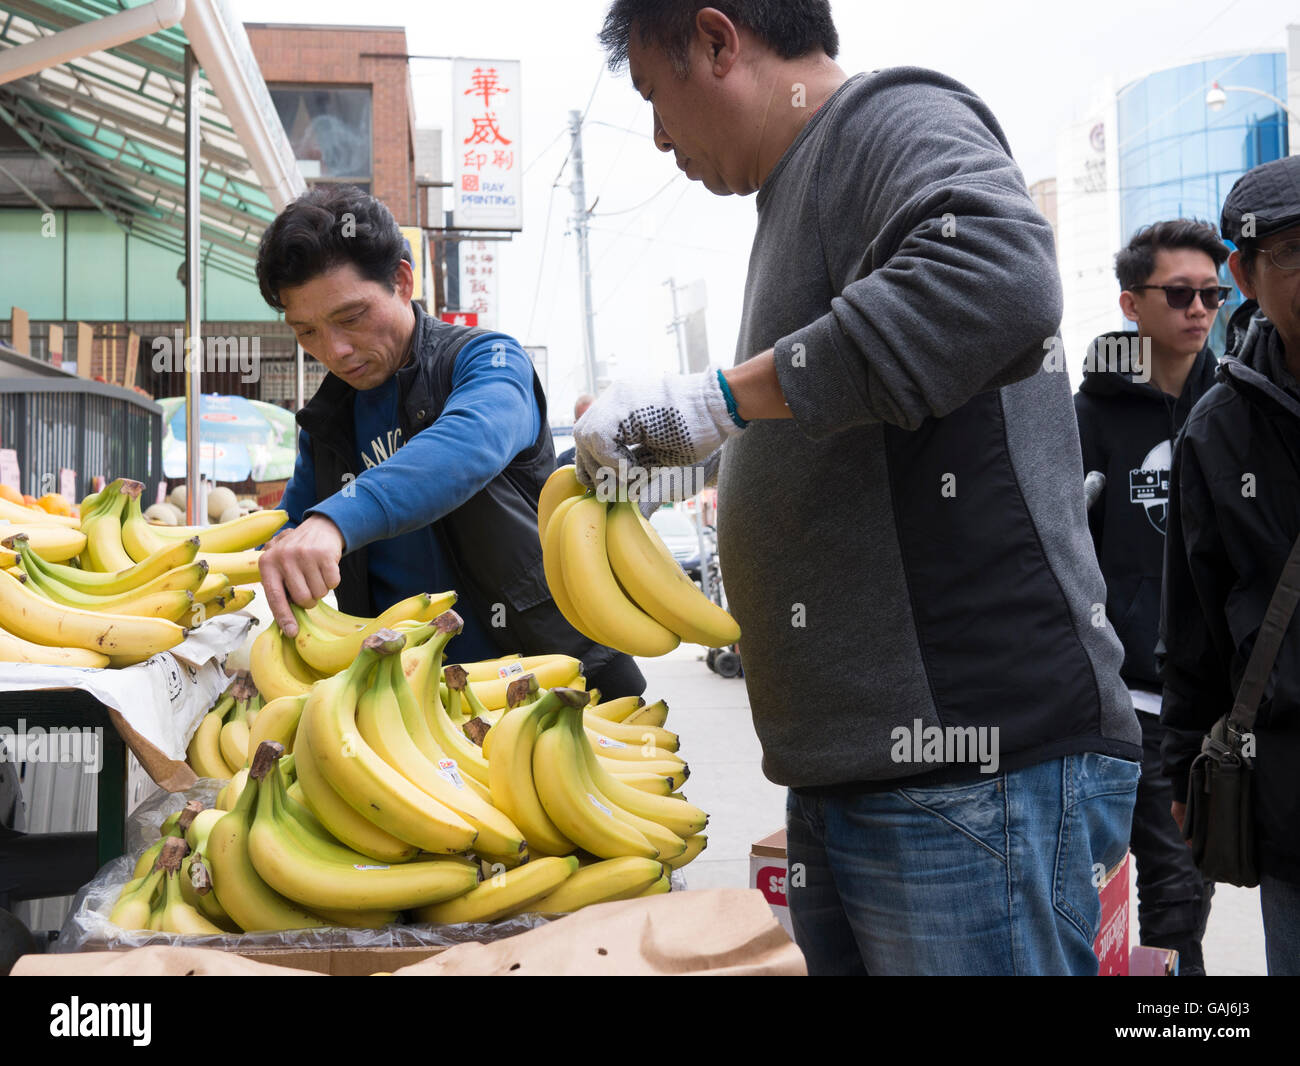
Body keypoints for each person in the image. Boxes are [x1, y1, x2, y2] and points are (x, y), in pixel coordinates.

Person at [584, 1, 1140, 974]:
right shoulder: (794, 196)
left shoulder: (886, 121)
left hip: (971, 767)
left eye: (653, 96)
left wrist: (719, 399)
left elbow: (998, 277)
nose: (659, 135)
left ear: (716, 41)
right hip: (868, 773)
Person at [254, 184, 644, 697]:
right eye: (307, 333)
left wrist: (337, 519)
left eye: (351, 318)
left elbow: (470, 443)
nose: (337, 350)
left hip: (559, 682)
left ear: (401, 279)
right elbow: (287, 533)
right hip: (415, 709)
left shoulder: (488, 361)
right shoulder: (328, 420)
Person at [1075, 220, 1229, 976]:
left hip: (1208, 704)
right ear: (1132, 305)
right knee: (1146, 891)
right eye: (1179, 294)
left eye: (1212, 293)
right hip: (1121, 699)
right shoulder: (1090, 415)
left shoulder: (1233, 404)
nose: (1199, 309)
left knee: (1187, 891)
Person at [1160, 155, 1300, 976]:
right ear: (1245, 273)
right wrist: (1182, 764)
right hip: (1291, 787)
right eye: (1293, 254)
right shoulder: (1216, 433)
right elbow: (1197, 622)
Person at [555, 394, 595, 467]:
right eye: (583, 421)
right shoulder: (562, 463)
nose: (588, 426)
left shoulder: (613, 460)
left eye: (592, 419)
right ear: (575, 425)